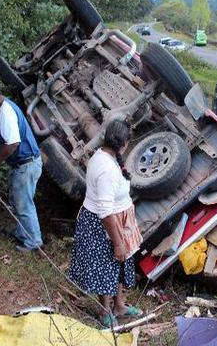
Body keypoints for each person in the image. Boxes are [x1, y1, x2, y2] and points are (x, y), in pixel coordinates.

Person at [69, 120, 143, 327]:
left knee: (119, 265)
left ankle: (120, 306)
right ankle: (104, 311)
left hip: (117, 221)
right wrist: (119, 243)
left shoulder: (105, 156)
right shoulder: (106, 169)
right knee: (105, 267)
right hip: (102, 225)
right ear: (124, 143)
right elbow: (104, 211)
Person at [0, 80, 43, 252]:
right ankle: (23, 234)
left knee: (24, 204)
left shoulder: (5, 112)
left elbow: (12, 143)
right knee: (18, 200)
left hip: (26, 165)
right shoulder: (3, 108)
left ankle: (34, 242)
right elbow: (3, 132)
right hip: (24, 164)